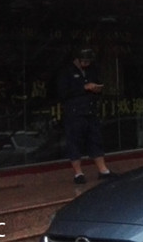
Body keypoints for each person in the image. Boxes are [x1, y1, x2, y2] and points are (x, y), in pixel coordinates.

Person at [56, 47, 116, 183]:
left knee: (95, 139)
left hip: (90, 110)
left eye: (88, 61)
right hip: (74, 112)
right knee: (74, 141)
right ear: (77, 59)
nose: (86, 64)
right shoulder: (67, 71)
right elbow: (63, 93)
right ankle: (78, 173)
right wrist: (83, 88)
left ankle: (103, 170)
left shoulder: (92, 70)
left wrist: (96, 88)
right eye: (84, 61)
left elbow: (99, 84)